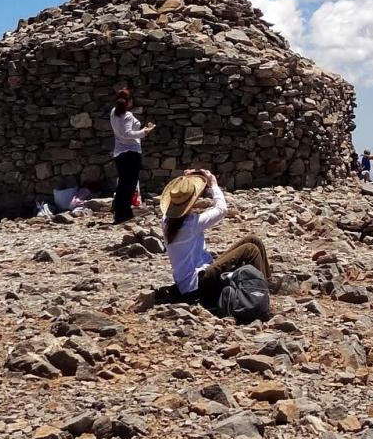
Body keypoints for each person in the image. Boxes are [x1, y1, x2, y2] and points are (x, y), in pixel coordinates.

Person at [159, 169, 270, 306]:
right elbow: (221, 209)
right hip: (198, 284)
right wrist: (213, 185)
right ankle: (259, 294)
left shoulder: (166, 221)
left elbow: (181, 193)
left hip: (188, 283)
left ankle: (265, 284)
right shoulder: (192, 223)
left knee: (253, 240)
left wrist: (188, 178)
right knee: (250, 249)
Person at [109, 89, 156, 224]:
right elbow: (127, 133)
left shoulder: (113, 113)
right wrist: (144, 132)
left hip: (119, 152)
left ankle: (120, 212)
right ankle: (124, 213)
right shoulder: (127, 115)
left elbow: (122, 133)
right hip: (131, 152)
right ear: (129, 101)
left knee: (123, 183)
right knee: (129, 184)